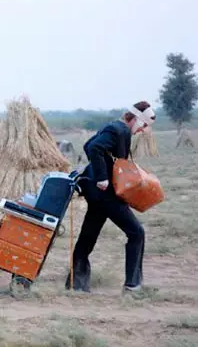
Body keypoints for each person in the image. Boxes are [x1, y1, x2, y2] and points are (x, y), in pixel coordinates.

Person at [66, 101, 155, 294]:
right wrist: (102, 177)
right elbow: (94, 148)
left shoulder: (115, 128)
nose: (144, 130)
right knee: (136, 232)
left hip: (97, 194)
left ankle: (75, 285)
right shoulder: (119, 130)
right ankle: (133, 286)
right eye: (144, 125)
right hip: (105, 194)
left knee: (88, 237)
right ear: (136, 120)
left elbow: (88, 144)